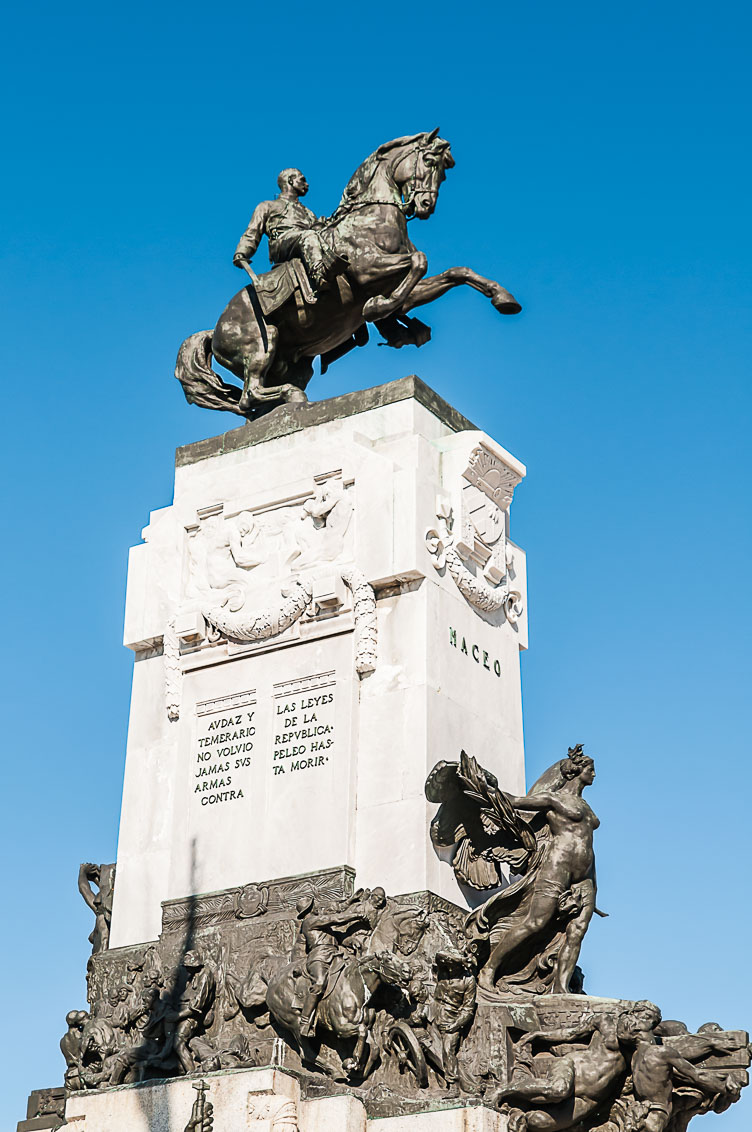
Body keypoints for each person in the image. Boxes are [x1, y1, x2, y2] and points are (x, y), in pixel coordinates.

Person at [471, 748, 599, 993]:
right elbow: (516, 802)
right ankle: (489, 968)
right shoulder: (553, 799)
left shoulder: (586, 805)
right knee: (536, 922)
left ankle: (561, 988)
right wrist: (487, 788)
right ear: (575, 771)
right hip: (557, 868)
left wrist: (592, 881)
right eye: (590, 769)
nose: (594, 774)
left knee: (578, 930)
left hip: (586, 877)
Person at [618, 1003, 730, 1132]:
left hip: (639, 1113)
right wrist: (724, 1088)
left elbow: (670, 1075)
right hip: (656, 1115)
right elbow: (696, 1075)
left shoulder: (635, 1057)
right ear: (642, 1029)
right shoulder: (662, 1052)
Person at [233, 169, 340, 294]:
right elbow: (252, 232)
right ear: (290, 180)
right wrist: (242, 252)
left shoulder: (308, 212)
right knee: (308, 235)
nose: (307, 184)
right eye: (302, 180)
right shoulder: (267, 205)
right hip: (282, 243)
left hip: (304, 242)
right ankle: (319, 274)